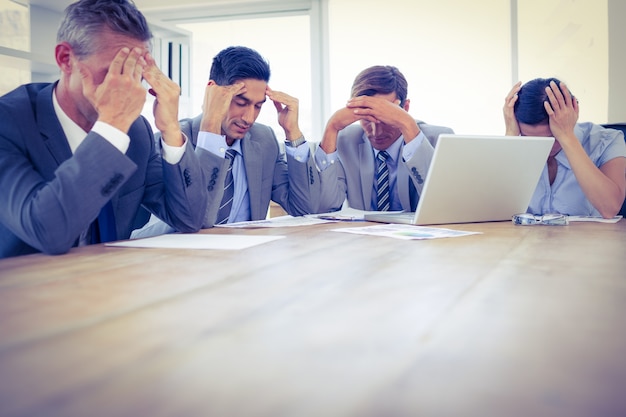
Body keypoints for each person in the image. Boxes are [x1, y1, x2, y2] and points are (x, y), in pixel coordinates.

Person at [0, 0, 207, 258]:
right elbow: (49, 232)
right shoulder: (7, 122)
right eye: (114, 73)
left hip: (108, 285)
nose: (127, 88)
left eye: (135, 75)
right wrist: (112, 126)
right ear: (66, 60)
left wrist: (171, 129)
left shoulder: (136, 132)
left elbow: (189, 218)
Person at [132, 45, 320, 238]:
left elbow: (305, 207)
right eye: (240, 103)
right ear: (212, 92)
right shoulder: (172, 141)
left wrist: (293, 132)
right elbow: (200, 220)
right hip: (174, 254)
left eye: (258, 106)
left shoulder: (264, 140)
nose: (249, 117)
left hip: (242, 257)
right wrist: (211, 126)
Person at [314, 65, 454, 213]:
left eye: (384, 118)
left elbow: (445, 207)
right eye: (366, 119)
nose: (376, 132)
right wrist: (331, 128)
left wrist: (407, 123)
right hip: (365, 234)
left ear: (405, 108)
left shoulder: (439, 140)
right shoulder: (345, 140)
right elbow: (325, 207)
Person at [503, 77, 626, 218]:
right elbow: (492, 209)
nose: (546, 148)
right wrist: (511, 137)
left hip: (587, 238)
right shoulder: (516, 141)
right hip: (526, 239)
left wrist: (567, 137)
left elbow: (609, 208)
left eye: (552, 138)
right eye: (530, 138)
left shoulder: (607, 140)